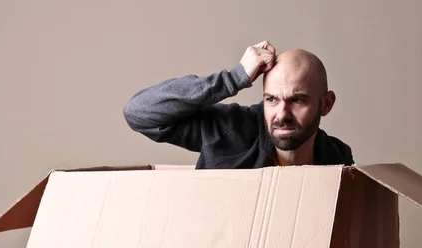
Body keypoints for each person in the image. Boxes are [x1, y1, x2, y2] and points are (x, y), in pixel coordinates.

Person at [123, 41, 354, 169]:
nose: (281, 115)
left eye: (297, 100)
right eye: (271, 99)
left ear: (326, 104)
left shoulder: (336, 157)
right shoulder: (232, 131)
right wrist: (233, 78)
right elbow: (139, 112)